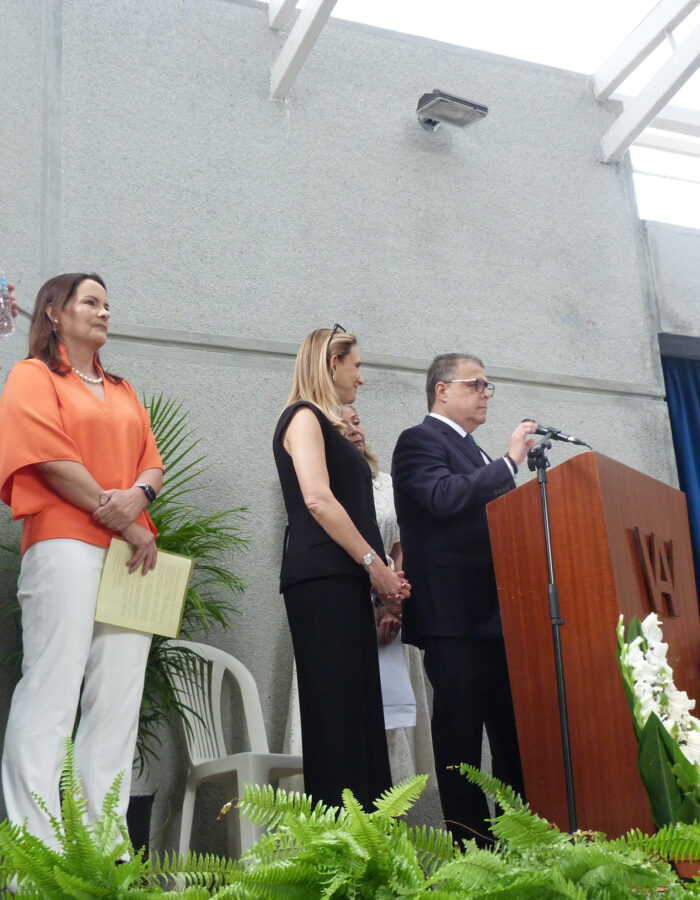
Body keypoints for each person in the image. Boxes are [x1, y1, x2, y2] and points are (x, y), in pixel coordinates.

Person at [0, 273, 164, 846]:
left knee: (118, 702)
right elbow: (47, 458)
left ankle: (103, 852)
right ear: (54, 312)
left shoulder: (123, 388)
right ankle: (35, 856)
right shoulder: (33, 375)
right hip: (66, 543)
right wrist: (121, 516)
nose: (104, 312)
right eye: (91, 302)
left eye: (107, 304)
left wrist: (139, 498)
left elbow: (152, 462)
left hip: (132, 558)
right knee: (51, 688)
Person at [391, 352, 536, 845]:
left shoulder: (475, 452)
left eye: (488, 385)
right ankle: (472, 852)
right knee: (461, 744)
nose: (485, 393)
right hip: (454, 619)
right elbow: (443, 497)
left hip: (497, 617)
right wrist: (509, 463)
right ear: (442, 390)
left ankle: (520, 844)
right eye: (476, 384)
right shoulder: (418, 441)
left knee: (513, 740)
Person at [272, 326, 410, 809]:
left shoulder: (326, 426)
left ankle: (367, 834)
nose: (362, 378)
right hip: (323, 581)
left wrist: (380, 574)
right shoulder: (303, 416)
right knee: (337, 718)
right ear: (333, 364)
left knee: (358, 714)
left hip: (344, 583)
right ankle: (340, 837)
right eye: (357, 366)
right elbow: (317, 499)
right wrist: (375, 564)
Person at [341, 404, 437, 790]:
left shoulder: (385, 483)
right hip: (344, 607)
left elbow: (400, 546)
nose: (355, 430)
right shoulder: (325, 485)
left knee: (391, 722)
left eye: (357, 421)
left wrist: (394, 605)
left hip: (390, 611)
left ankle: (391, 812)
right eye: (343, 424)